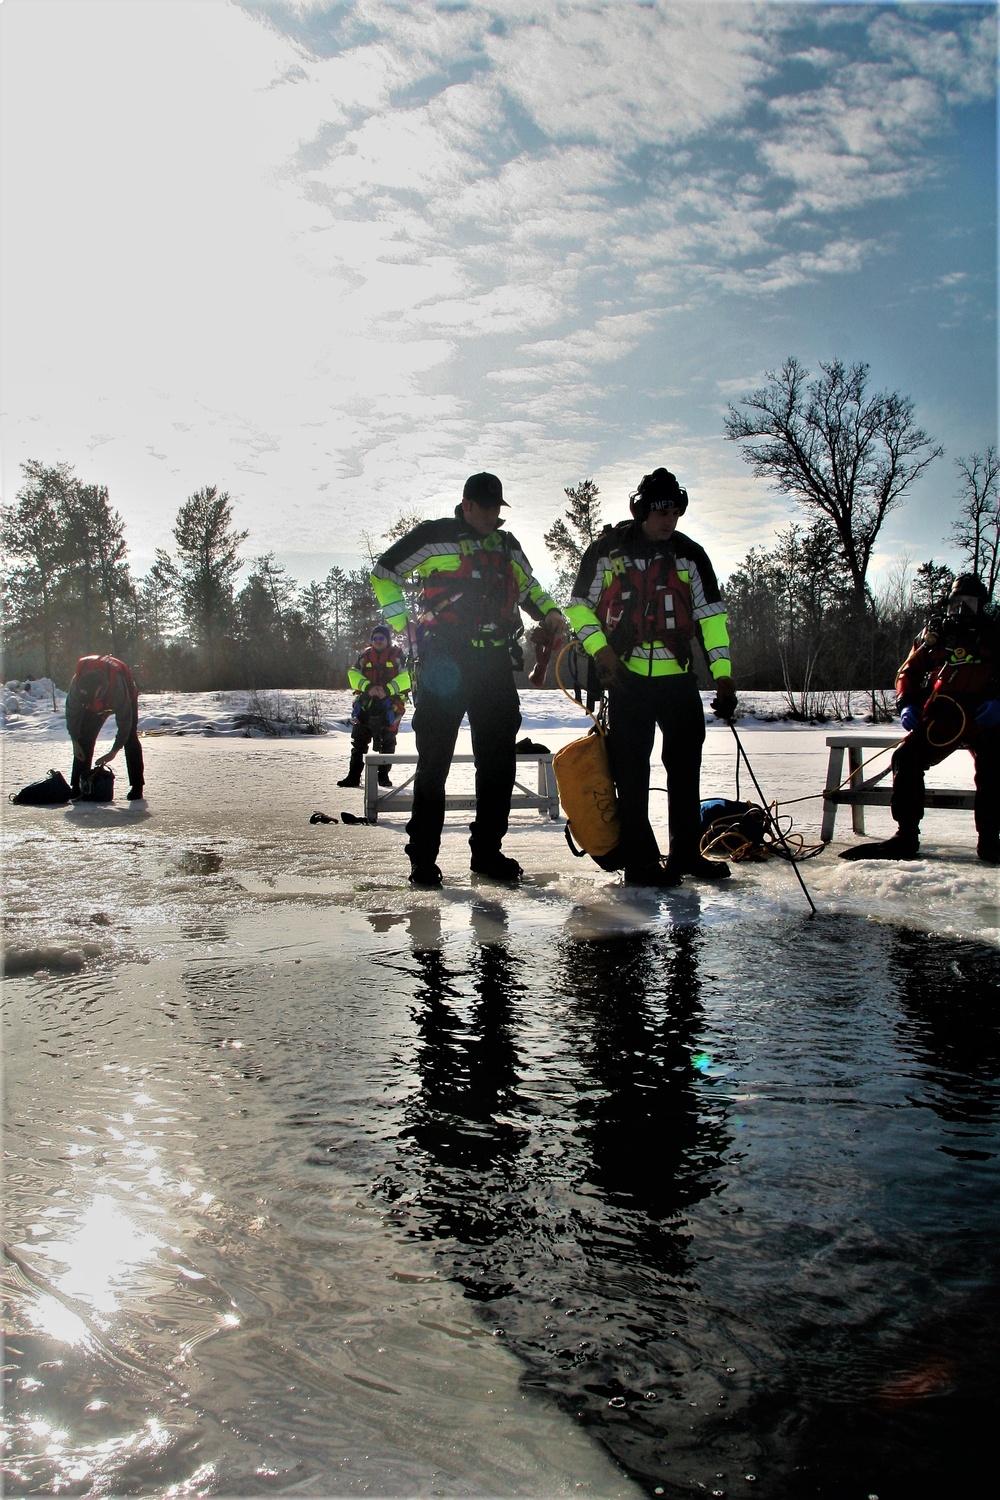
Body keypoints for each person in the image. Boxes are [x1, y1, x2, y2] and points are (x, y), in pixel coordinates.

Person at [371, 471, 564, 887]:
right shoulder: (433, 536)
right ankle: (422, 858)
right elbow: (384, 573)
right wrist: (405, 626)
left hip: (494, 662)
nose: (495, 515)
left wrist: (550, 613)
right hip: (444, 660)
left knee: (498, 762)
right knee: (434, 760)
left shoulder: (508, 545)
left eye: (499, 508)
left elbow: (530, 588)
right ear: (468, 504)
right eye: (488, 507)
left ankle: (487, 853)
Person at [566, 467, 737, 887]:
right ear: (642, 509)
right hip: (626, 682)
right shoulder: (607, 551)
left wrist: (724, 676)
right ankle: (640, 862)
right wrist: (601, 652)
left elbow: (711, 619)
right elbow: (577, 607)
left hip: (678, 681)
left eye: (675, 511)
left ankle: (686, 856)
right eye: (661, 511)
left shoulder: (690, 556)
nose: (669, 519)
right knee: (631, 771)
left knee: (685, 769)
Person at [840, 574, 1000, 864]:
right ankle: (906, 835)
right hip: (944, 716)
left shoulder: (995, 634)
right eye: (956, 603)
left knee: (995, 766)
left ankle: (991, 840)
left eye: (968, 603)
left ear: (981, 605)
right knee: (905, 757)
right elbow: (908, 672)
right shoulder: (936, 634)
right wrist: (906, 704)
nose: (961, 610)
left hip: (983, 717)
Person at [338, 626, 411, 788]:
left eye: (381, 638)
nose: (378, 642)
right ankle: (353, 776)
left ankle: (383, 777)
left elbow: (407, 677)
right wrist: (369, 687)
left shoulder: (398, 656)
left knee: (388, 743)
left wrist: (386, 690)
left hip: (391, 707)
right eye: (375, 639)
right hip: (366, 704)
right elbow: (353, 674)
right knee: (358, 742)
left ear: (388, 640)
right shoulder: (364, 656)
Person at [65, 654, 145, 800]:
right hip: (99, 702)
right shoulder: (77, 685)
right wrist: (75, 741)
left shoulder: (117, 688)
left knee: (130, 739)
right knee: (84, 738)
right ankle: (77, 786)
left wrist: (114, 751)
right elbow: (72, 714)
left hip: (126, 697)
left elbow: (125, 724)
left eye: (91, 700)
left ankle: (137, 786)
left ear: (100, 691)